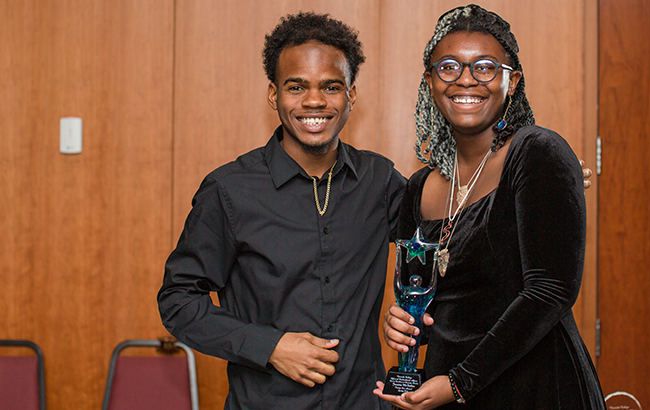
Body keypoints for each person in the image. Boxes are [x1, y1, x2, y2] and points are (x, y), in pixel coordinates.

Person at [157, 12, 403, 409]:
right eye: (296, 86)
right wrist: (270, 346)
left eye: (331, 86)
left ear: (351, 96)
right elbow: (178, 301)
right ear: (274, 95)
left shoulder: (380, 180)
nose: (314, 101)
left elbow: (441, 246)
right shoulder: (229, 190)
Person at [375, 4, 605, 409]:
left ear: (511, 82)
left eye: (484, 67)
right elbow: (443, 308)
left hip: (537, 387)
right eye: (448, 67)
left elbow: (551, 291)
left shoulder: (536, 153)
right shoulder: (418, 188)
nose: (465, 79)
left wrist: (460, 383)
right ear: (430, 81)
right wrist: (406, 325)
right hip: (447, 387)